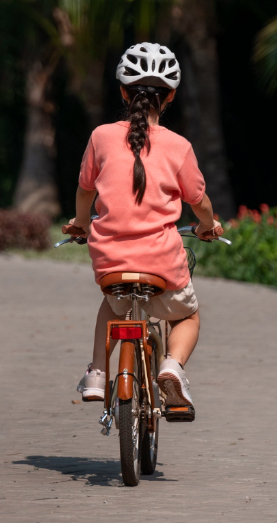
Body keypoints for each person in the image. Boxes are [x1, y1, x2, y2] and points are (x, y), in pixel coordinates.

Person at [63, 42, 223, 421]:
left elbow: (86, 190)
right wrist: (208, 225)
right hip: (162, 264)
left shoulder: (101, 137)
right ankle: (172, 366)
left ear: (122, 91)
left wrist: (81, 224)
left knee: (112, 304)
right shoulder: (179, 146)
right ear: (170, 97)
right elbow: (198, 200)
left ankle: (97, 375)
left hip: (111, 262)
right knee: (187, 317)